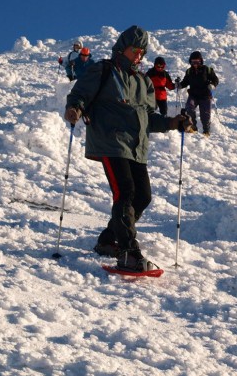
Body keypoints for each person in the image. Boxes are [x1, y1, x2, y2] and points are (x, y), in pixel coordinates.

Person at [64, 25, 192, 272]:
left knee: (143, 196)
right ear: (122, 48)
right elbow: (79, 94)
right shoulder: (104, 70)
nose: (139, 56)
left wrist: (173, 123)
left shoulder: (144, 82)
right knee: (125, 192)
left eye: (142, 52)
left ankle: (108, 240)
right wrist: (75, 109)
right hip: (110, 141)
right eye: (135, 50)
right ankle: (128, 252)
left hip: (136, 147)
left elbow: (149, 118)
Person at [176, 51, 219, 136]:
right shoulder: (189, 71)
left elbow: (215, 80)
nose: (195, 64)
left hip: (205, 95)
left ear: (201, 61)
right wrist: (179, 85)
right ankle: (193, 128)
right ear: (190, 61)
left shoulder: (207, 70)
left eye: (197, 62)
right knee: (189, 108)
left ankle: (206, 131)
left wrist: (212, 85)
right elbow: (185, 82)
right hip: (193, 95)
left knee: (205, 115)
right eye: (193, 62)